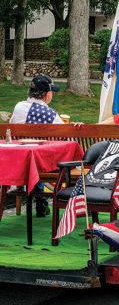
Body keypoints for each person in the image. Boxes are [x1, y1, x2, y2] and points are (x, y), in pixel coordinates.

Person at [10, 75, 63, 217]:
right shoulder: (51, 115)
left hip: (18, 159)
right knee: (42, 157)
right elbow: (67, 136)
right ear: (47, 95)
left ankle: (41, 199)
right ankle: (42, 200)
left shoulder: (18, 107)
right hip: (40, 164)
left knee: (31, 155)